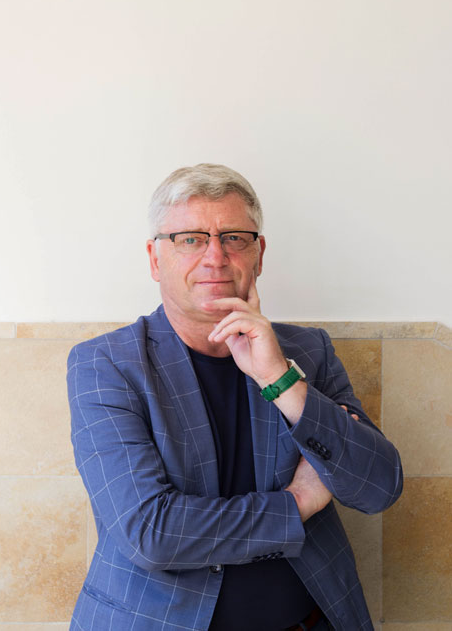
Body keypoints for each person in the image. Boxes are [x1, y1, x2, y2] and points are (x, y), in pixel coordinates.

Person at [67, 164, 403, 631]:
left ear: (258, 254)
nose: (215, 257)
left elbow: (379, 488)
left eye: (234, 238)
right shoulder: (106, 365)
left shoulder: (308, 352)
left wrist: (278, 378)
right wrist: (299, 502)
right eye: (190, 239)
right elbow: (152, 532)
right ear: (154, 258)